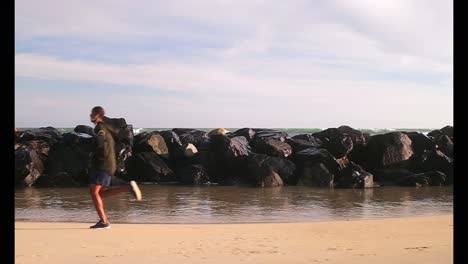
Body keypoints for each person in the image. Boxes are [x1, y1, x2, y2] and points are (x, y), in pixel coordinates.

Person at [88, 106, 142, 229]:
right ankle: (128, 188)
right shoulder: (108, 127)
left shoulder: (100, 127)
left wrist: (94, 149)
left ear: (98, 115)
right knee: (100, 193)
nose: (90, 116)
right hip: (109, 163)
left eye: (93, 114)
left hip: (102, 163)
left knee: (94, 192)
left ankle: (104, 222)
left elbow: (100, 143)